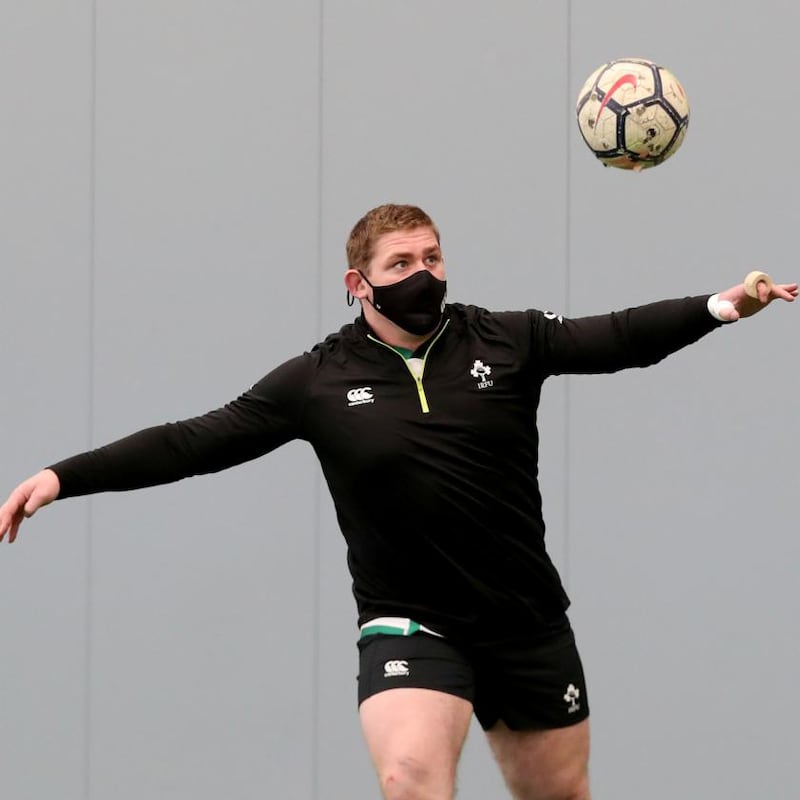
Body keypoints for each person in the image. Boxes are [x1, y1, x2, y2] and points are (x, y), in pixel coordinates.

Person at [0, 204, 796, 800]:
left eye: (434, 256)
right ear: (359, 283)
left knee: (558, 796)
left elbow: (618, 335)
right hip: (412, 622)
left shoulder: (504, 340)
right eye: (402, 261)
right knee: (411, 778)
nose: (424, 272)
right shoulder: (315, 380)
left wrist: (723, 307)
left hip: (525, 620)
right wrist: (61, 477)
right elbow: (190, 442)